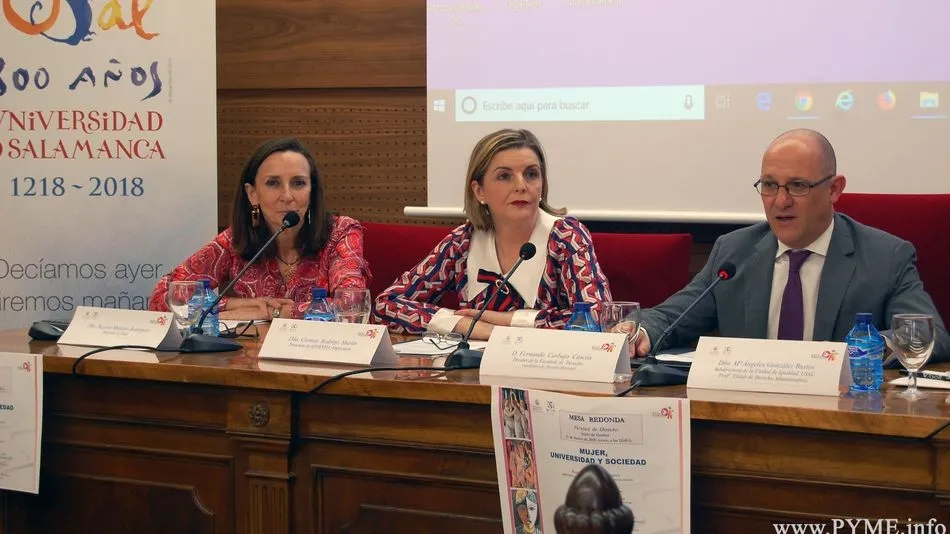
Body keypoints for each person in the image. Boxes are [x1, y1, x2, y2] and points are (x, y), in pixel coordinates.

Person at [632, 129, 949, 361]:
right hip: (746, 415)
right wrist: (638, 332)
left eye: (797, 186)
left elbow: (928, 334)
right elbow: (670, 317)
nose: (780, 201)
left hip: (845, 417)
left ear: (834, 189)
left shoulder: (885, 257)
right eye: (769, 185)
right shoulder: (734, 252)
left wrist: (862, 350)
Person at [374, 129, 612, 339]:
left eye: (531, 174)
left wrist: (507, 321)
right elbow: (386, 306)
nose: (521, 186)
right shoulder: (462, 242)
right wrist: (465, 325)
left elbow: (598, 317)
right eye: (504, 176)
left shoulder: (566, 237)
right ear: (479, 191)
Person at [149, 138, 370, 320]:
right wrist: (239, 306)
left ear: (311, 191)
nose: (287, 196)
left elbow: (352, 306)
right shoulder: (236, 240)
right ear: (252, 194)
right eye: (273, 183)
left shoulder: (341, 233)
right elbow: (163, 297)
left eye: (298, 183)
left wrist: (275, 312)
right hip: (252, 357)